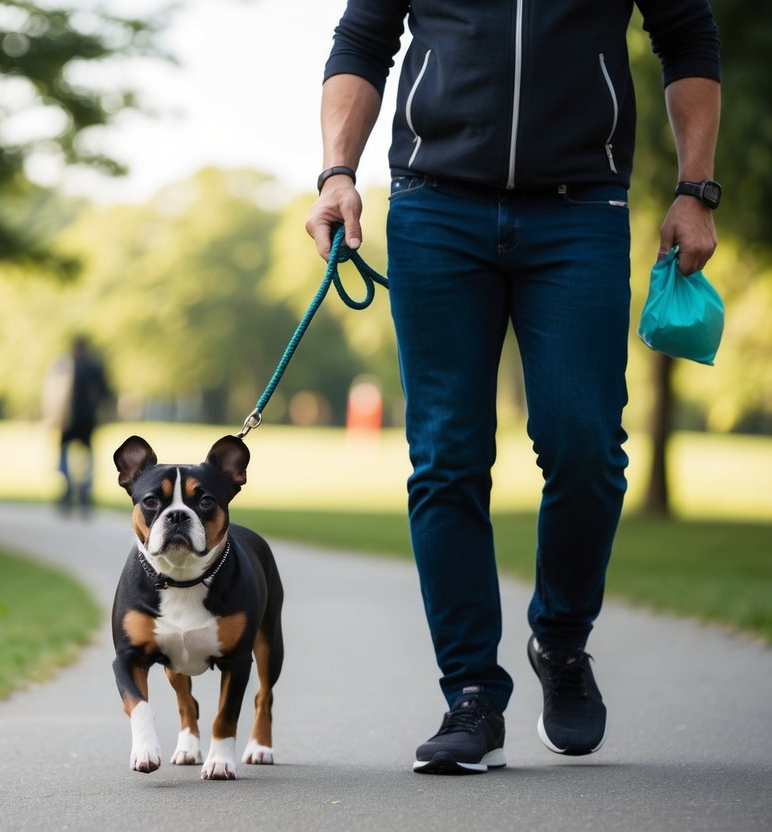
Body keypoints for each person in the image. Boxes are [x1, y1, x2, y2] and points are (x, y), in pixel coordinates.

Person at [307, 1, 720, 774]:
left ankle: (560, 643)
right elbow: (361, 40)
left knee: (584, 444)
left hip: (580, 211)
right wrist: (336, 172)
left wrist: (696, 187)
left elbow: (688, 35)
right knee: (445, 456)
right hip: (433, 206)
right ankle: (471, 693)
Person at [45, 336, 110, 516]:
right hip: (87, 419)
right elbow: (105, 392)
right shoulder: (94, 367)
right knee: (87, 458)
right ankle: (83, 490)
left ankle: (68, 489)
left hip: (68, 420)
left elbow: (52, 392)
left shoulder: (63, 366)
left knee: (64, 456)